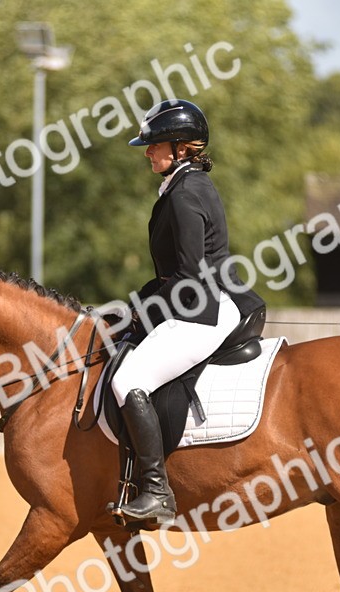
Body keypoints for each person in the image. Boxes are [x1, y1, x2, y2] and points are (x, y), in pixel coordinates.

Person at [110, 99, 266, 527]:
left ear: (180, 148)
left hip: (201, 310)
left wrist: (141, 311)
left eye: (154, 144)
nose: (147, 152)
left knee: (128, 380)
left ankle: (158, 492)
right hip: (204, 300)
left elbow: (189, 276)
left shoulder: (185, 194)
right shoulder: (187, 186)